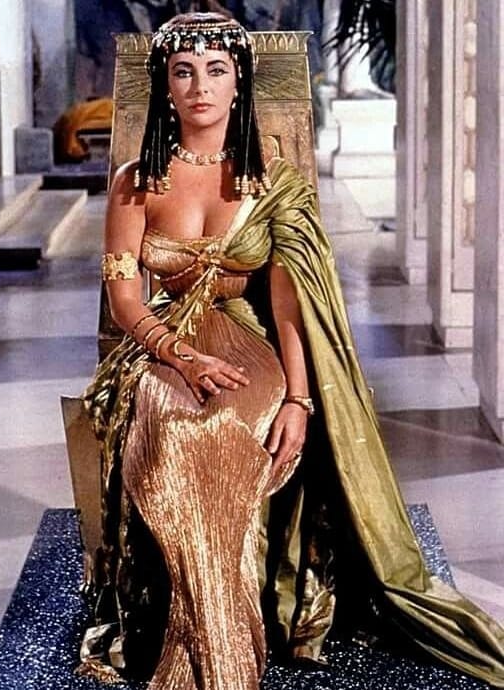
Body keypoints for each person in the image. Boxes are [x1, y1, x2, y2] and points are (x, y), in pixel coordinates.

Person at [75, 11, 504, 690]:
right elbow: (126, 297)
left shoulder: (272, 179)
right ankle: (210, 642)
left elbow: (289, 304)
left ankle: (216, 652)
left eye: (216, 70)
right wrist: (180, 356)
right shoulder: (135, 181)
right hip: (165, 342)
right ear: (165, 86)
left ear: (239, 83)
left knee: (225, 427)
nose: (200, 87)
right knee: (171, 431)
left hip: (253, 341)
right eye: (184, 72)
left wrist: (299, 401)